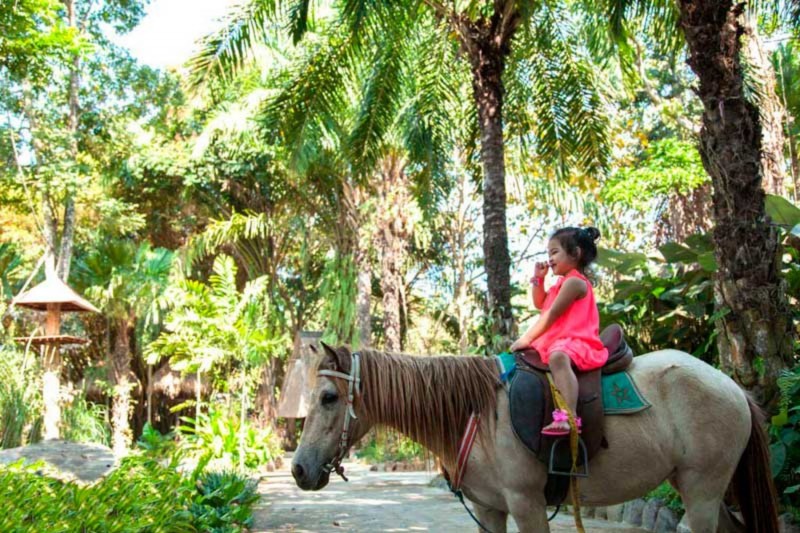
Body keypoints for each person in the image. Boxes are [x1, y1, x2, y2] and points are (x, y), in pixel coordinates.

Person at [509, 226, 609, 436]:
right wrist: (538, 279)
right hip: (557, 340)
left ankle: (568, 416)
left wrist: (526, 338)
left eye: (554, 252)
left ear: (575, 253)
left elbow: (552, 313)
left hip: (577, 341)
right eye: (548, 253)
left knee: (558, 358)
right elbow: (540, 303)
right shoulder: (560, 284)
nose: (550, 258)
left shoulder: (575, 283)